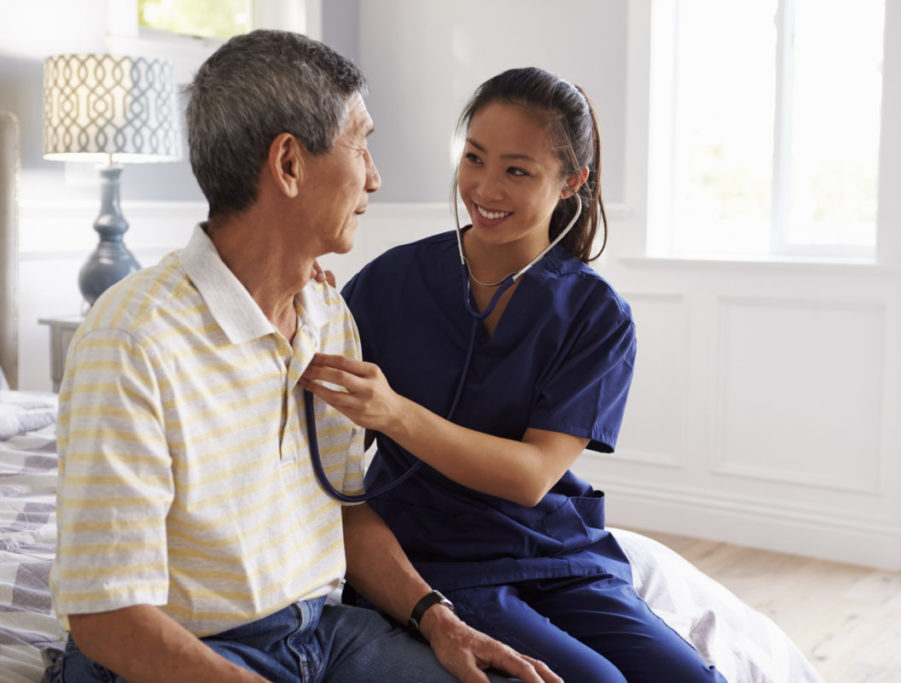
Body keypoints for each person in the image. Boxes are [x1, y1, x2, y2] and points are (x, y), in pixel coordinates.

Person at [46, 31, 560, 683]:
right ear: (289, 163)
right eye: (362, 143)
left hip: (321, 633)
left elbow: (342, 507)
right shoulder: (132, 339)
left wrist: (438, 618)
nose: (375, 176)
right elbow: (105, 617)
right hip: (183, 654)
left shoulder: (327, 316)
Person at [300, 67, 728, 682]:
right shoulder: (393, 282)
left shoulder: (596, 315)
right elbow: (319, 427)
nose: (483, 186)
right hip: (434, 556)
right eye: (474, 158)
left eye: (516, 170)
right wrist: (304, 303)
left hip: (555, 552)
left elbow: (531, 477)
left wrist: (396, 413)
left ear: (571, 181)